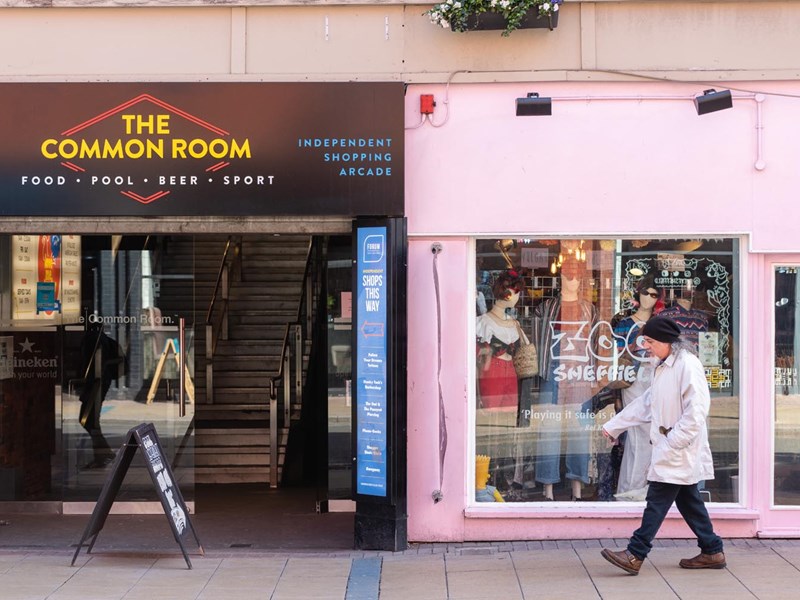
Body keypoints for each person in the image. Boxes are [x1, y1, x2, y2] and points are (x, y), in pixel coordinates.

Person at [600, 316, 725, 575]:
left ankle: (635, 554)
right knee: (689, 501)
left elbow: (697, 412)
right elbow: (648, 403)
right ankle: (712, 550)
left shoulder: (687, 365)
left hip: (678, 448)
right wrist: (615, 425)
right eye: (645, 340)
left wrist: (672, 442)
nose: (646, 346)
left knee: (656, 501)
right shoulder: (662, 364)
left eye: (650, 341)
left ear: (667, 342)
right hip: (672, 449)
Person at [531, 256, 597, 500]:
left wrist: (594, 377)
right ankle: (548, 488)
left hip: (581, 374)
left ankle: (577, 489)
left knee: (580, 433)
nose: (572, 278)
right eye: (567, 274)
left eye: (576, 274)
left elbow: (596, 345)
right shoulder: (546, 307)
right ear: (560, 277)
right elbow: (538, 342)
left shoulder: (590, 309)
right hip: (553, 373)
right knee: (549, 431)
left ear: (581, 278)